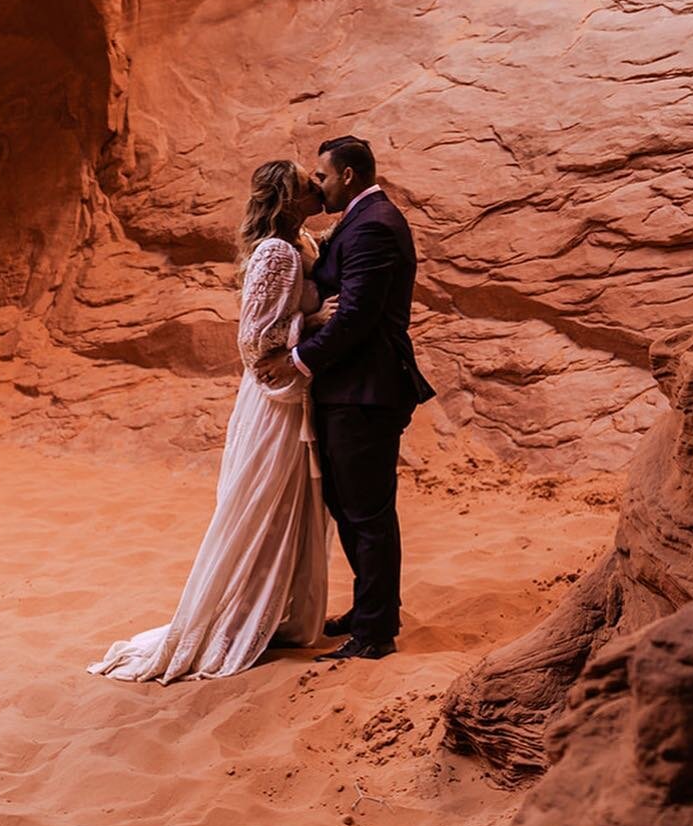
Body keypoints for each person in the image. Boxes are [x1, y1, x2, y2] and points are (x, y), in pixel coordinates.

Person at [87, 159, 334, 683]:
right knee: (262, 499)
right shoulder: (276, 252)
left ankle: (272, 613)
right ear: (285, 197)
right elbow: (253, 342)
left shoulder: (304, 244)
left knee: (291, 502)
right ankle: (234, 618)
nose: (316, 184)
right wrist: (310, 321)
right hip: (274, 397)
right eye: (304, 180)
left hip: (295, 392)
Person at [258, 135, 434, 661]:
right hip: (347, 389)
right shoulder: (360, 220)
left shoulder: (376, 225)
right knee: (348, 504)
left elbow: (356, 316)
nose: (318, 184)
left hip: (368, 390)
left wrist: (293, 361)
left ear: (348, 175)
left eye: (323, 175)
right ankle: (370, 608)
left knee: (367, 512)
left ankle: (376, 632)